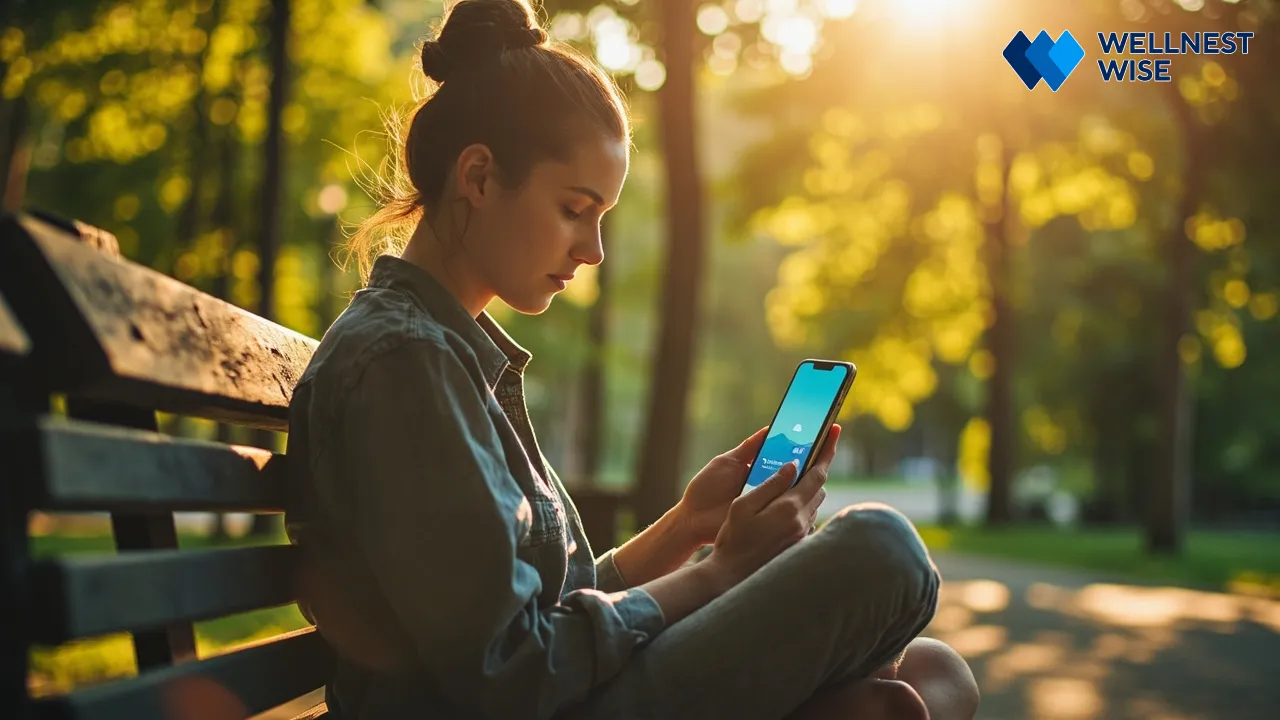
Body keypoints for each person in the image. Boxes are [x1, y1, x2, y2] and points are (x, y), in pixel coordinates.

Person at [285, 1, 979, 718]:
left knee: (926, 678)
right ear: (481, 178)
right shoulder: (406, 362)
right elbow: (513, 672)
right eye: (574, 209)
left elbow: (557, 603)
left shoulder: (446, 352)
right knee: (882, 549)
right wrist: (722, 572)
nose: (593, 250)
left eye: (602, 217)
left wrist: (686, 527)